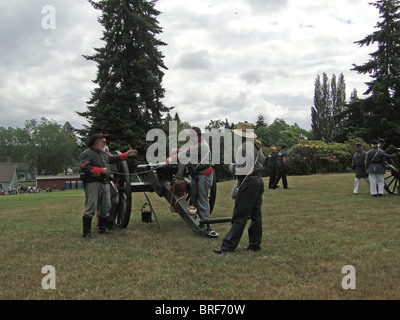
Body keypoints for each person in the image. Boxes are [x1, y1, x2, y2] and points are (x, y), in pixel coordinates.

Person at [214, 122, 265, 254]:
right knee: (256, 215)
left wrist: (232, 167)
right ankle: (254, 245)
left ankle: (228, 246)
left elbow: (242, 169)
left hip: (248, 182)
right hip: (258, 181)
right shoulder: (256, 146)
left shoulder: (244, 147)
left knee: (239, 216)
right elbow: (262, 162)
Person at [80, 133, 137, 239]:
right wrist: (99, 170)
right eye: (104, 142)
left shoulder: (104, 154)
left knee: (106, 206)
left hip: (105, 183)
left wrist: (126, 155)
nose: (105, 144)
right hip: (93, 183)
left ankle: (103, 228)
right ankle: (86, 232)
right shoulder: (87, 153)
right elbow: (84, 167)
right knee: (91, 207)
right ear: (96, 143)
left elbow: (113, 159)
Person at [186, 127, 218, 238]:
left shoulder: (201, 145)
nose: (191, 138)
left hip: (204, 175)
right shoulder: (195, 145)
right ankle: (197, 221)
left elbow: (186, 154)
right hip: (196, 175)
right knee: (194, 199)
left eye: (192, 136)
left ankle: (206, 224)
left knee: (202, 199)